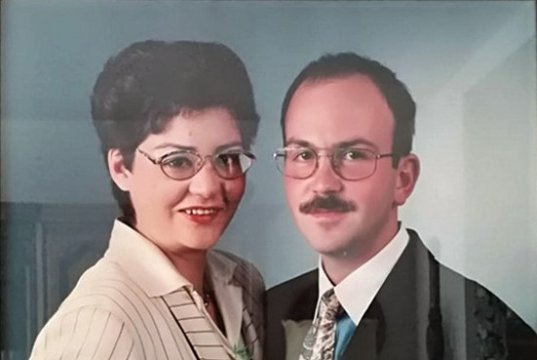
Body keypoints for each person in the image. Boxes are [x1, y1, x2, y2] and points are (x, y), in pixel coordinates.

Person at [265, 52, 537, 360]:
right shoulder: (266, 312)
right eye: (303, 154)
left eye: (354, 154)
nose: (323, 183)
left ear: (403, 179)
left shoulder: (485, 332)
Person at [30, 40, 264, 360]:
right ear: (121, 167)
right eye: (178, 161)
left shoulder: (244, 281)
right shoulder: (98, 324)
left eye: (228, 158)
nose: (208, 187)